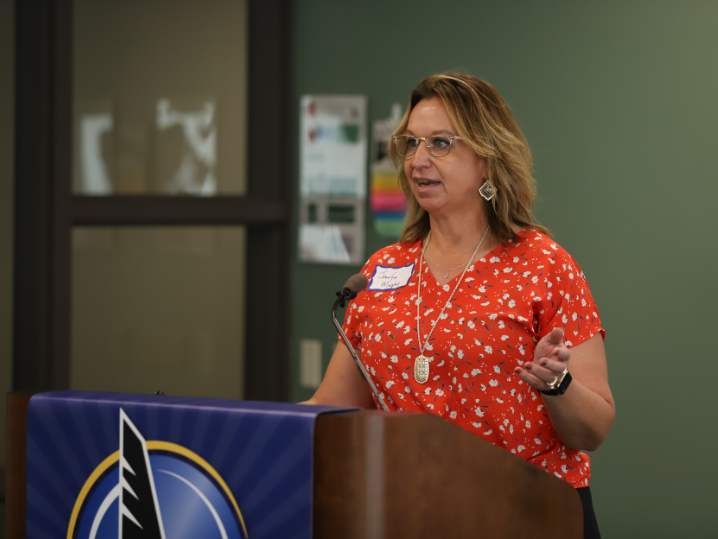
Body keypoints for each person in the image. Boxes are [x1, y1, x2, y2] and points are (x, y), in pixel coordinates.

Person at [303, 73, 614, 538]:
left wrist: (558, 384)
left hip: (530, 513)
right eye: (411, 144)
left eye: (440, 144)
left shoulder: (544, 265)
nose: (417, 161)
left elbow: (593, 430)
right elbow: (329, 410)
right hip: (411, 513)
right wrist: (250, 434)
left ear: (486, 160)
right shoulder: (382, 270)